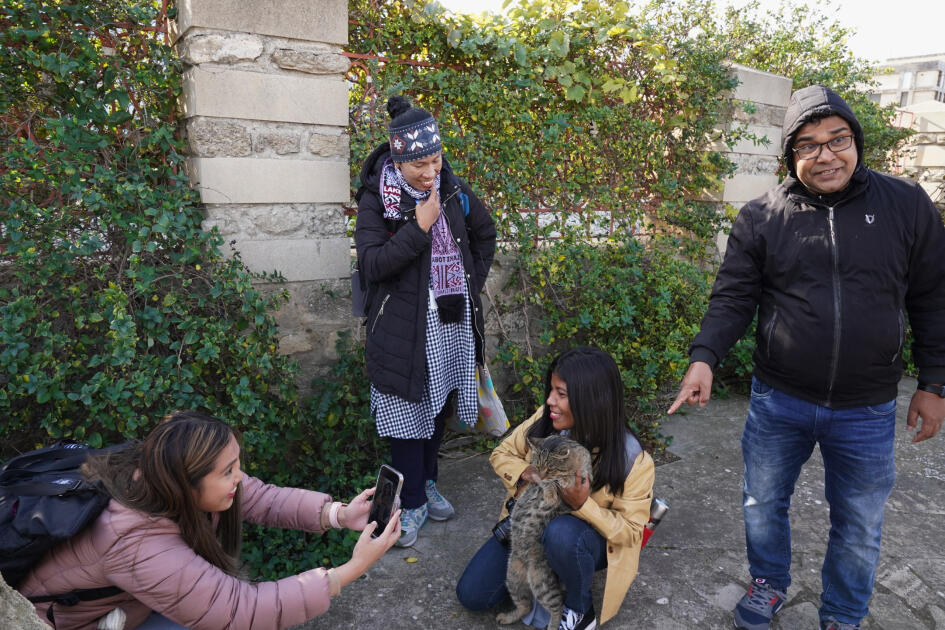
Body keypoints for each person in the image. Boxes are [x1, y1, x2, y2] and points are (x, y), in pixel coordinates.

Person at [668, 84, 945, 630]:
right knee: (762, 503)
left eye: (837, 139)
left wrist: (935, 383)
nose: (826, 155)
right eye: (808, 144)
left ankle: (841, 614)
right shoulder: (762, 215)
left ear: (856, 140)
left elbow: (933, 296)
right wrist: (704, 357)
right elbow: (733, 297)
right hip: (780, 399)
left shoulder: (906, 204)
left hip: (867, 407)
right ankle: (769, 581)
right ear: (791, 157)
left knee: (860, 522)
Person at [17, 410, 401, 630]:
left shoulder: (156, 472)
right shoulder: (136, 543)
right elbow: (240, 609)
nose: (239, 478)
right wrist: (351, 569)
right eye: (228, 471)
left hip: (129, 602)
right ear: (188, 479)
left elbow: (258, 497)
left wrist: (338, 514)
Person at [354, 95, 497, 547]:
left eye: (435, 160)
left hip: (449, 322)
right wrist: (418, 228)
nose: (430, 172)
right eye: (420, 164)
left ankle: (428, 482)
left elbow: (485, 232)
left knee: (435, 411)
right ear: (399, 157)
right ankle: (409, 502)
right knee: (404, 418)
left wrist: (469, 283)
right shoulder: (378, 198)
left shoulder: (453, 188)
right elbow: (373, 265)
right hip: (400, 330)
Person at [456, 347, 655, 630]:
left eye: (561, 394)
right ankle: (553, 570)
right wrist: (526, 473)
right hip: (530, 529)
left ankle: (578, 608)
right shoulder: (547, 420)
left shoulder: (633, 459)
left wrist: (582, 504)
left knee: (562, 535)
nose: (550, 400)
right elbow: (501, 454)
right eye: (551, 390)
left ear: (592, 400)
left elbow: (631, 533)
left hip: (582, 539)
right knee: (472, 595)